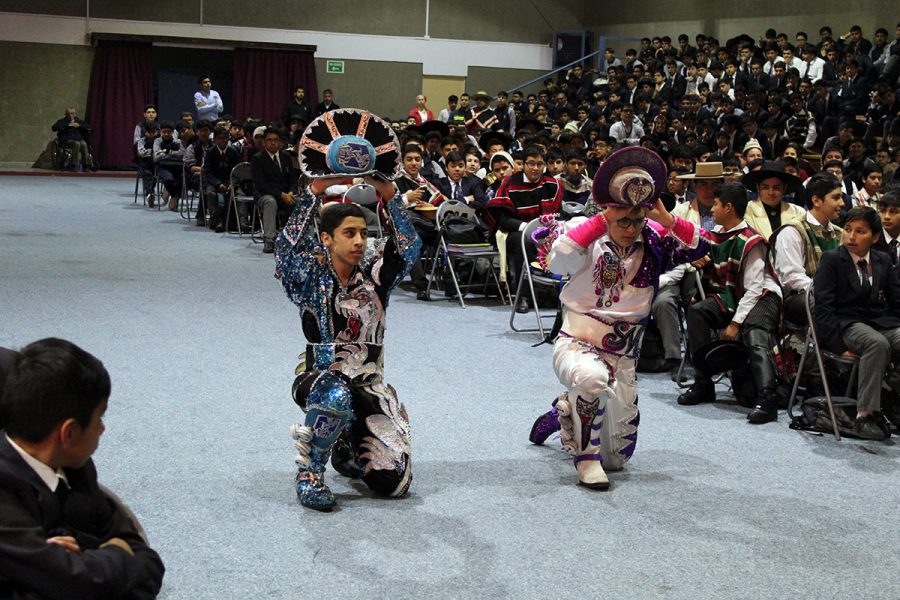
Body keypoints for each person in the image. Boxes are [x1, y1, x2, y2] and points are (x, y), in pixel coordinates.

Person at [527, 147, 708, 489]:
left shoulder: (652, 237)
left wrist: (667, 220)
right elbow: (557, 262)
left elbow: (700, 247)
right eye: (623, 219)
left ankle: (565, 410)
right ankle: (584, 458)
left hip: (625, 354)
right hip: (578, 343)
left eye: (638, 219)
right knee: (592, 381)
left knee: (617, 460)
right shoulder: (585, 230)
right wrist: (603, 221)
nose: (630, 227)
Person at [276, 120, 421, 511]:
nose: (360, 240)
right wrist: (314, 192)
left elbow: (408, 250)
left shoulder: (376, 274)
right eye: (348, 233)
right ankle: (311, 471)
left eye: (363, 232)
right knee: (336, 395)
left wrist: (390, 198)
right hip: (320, 379)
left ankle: (345, 446)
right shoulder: (309, 274)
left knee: (392, 484)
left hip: (369, 382)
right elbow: (286, 251)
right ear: (327, 238)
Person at [0, 338, 164, 597]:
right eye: (100, 417)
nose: (102, 429)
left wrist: (85, 562)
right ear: (69, 433)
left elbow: (148, 561)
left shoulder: (77, 467)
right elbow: (77, 581)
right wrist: (116, 551)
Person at [677, 182, 784, 424]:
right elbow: (712, 268)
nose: (711, 209)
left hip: (762, 297)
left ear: (728, 207)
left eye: (715, 204)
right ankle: (703, 382)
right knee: (696, 312)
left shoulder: (752, 240)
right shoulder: (716, 234)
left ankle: (768, 398)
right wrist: (701, 262)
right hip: (731, 297)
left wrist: (735, 324)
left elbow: (755, 289)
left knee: (754, 331)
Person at [814, 206, 900, 440]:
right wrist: (837, 345)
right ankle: (865, 415)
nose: (851, 236)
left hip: (879, 321)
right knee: (877, 344)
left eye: (860, 231)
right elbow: (822, 308)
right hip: (846, 324)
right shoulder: (832, 259)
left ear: (874, 237)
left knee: (892, 338)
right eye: (848, 230)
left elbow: (896, 300)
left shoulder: (882, 259)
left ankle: (893, 387)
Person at [770, 173, 844, 325]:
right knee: (825, 303)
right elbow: (792, 278)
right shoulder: (792, 231)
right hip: (798, 298)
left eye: (841, 197)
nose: (842, 203)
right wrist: (827, 292)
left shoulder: (841, 233)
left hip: (833, 294)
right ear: (816, 200)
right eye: (836, 198)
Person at [251, 127, 299, 253]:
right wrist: (282, 195)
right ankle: (269, 239)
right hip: (264, 194)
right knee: (270, 201)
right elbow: (261, 184)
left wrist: (290, 192)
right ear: (264, 142)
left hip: (285, 194)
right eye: (269, 140)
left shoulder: (286, 156)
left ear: (280, 142)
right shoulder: (257, 158)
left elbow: (293, 180)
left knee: (301, 202)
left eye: (276, 140)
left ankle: (299, 239)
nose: (273, 143)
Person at [742, 160, 807, 239]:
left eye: (776, 188)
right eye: (765, 187)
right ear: (758, 188)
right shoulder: (746, 211)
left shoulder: (798, 212)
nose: (771, 192)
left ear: (784, 188)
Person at [51, 107, 91, 172]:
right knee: (77, 143)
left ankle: (86, 165)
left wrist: (79, 125)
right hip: (67, 140)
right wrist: (68, 125)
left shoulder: (79, 121)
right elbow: (54, 128)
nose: (70, 115)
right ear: (66, 114)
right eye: (68, 114)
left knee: (84, 144)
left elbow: (89, 127)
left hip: (79, 139)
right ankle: (74, 165)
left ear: (75, 114)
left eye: (72, 113)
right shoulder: (62, 121)